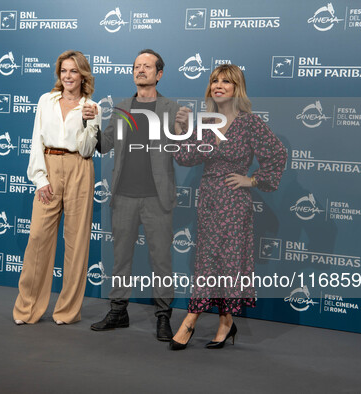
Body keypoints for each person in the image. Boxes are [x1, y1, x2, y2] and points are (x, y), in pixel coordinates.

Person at [169, 64, 287, 350]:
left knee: (228, 261)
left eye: (226, 81)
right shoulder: (207, 122)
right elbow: (185, 158)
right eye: (214, 81)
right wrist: (180, 129)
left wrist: (253, 180)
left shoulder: (249, 123)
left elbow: (277, 154)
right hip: (208, 199)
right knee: (209, 260)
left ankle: (191, 319)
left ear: (237, 88)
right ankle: (226, 321)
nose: (218, 85)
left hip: (234, 202)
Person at [90, 49, 183, 341]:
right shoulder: (120, 107)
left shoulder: (172, 108)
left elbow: (183, 153)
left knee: (161, 260)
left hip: (158, 197)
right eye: (137, 66)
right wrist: (91, 121)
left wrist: (184, 129)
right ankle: (119, 310)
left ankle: (163, 315)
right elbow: (103, 146)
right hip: (124, 196)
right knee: (120, 258)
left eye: (147, 66)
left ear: (160, 73)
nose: (140, 70)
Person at [13, 50, 101, 325]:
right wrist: (40, 179)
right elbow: (36, 140)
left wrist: (90, 121)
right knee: (38, 238)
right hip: (49, 166)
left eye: (73, 71)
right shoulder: (46, 101)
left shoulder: (92, 106)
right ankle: (27, 309)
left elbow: (88, 149)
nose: (67, 76)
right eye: (63, 71)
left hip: (79, 168)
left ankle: (67, 311)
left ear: (83, 75)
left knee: (76, 243)